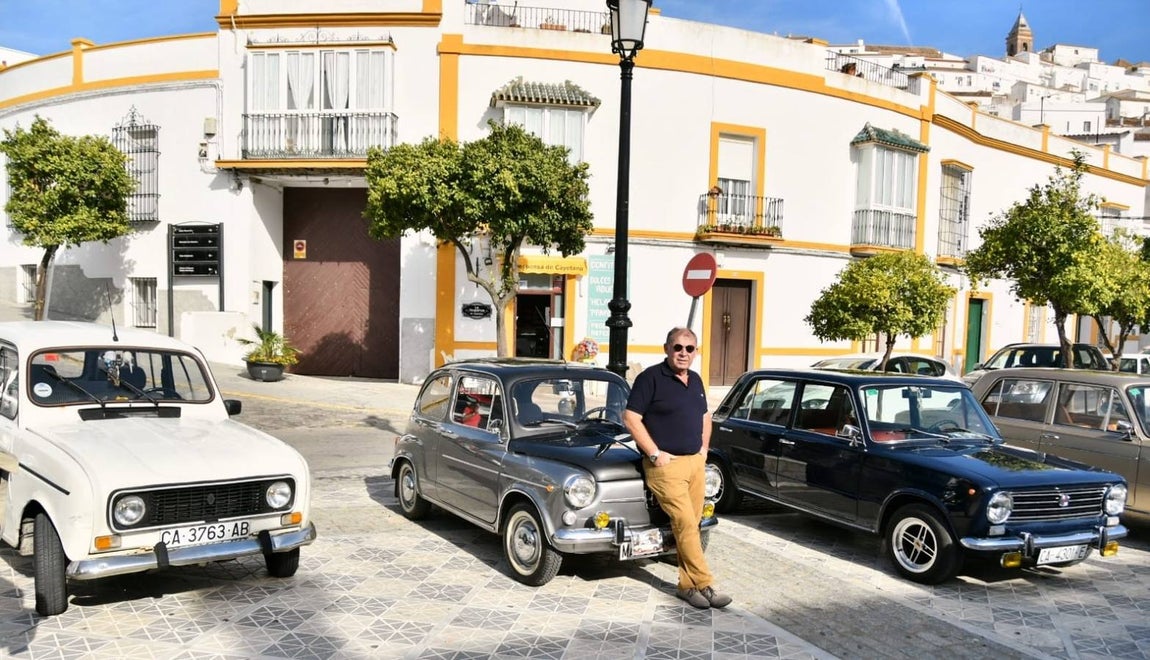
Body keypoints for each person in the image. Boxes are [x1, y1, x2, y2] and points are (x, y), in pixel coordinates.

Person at [624, 327, 731, 610]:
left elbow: (706, 416)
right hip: (666, 467)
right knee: (684, 521)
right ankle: (705, 583)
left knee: (691, 526)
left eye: (689, 348)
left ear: (696, 352)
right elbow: (631, 418)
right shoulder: (650, 379)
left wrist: (703, 450)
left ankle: (686, 586)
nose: (683, 353)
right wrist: (655, 453)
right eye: (678, 347)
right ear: (666, 349)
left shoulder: (695, 380)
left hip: (695, 463)